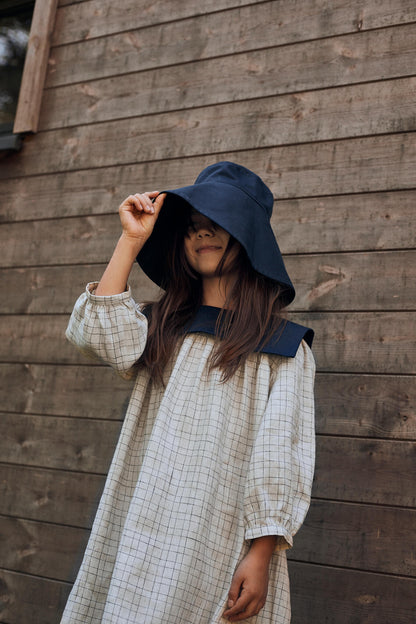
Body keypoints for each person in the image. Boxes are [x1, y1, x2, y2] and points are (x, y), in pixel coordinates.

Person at [60, 161, 315, 624]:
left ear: (247, 237)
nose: (202, 233)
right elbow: (97, 334)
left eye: (218, 223)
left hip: (220, 533)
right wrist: (131, 241)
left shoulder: (282, 348)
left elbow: (279, 455)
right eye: (193, 226)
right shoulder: (160, 327)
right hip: (141, 515)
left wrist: (260, 555)